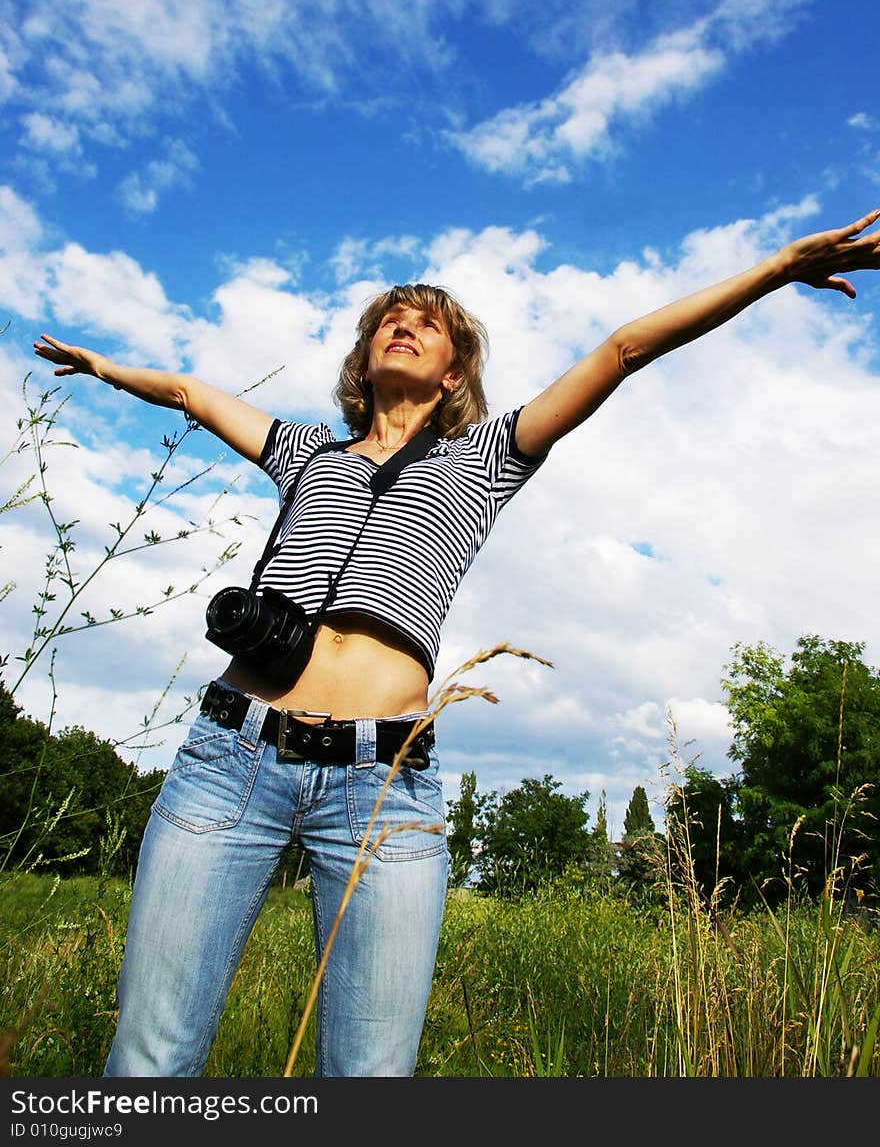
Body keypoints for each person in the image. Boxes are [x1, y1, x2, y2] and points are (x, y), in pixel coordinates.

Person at [33, 205, 880, 1077]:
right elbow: (187, 392)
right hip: (230, 759)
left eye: (429, 324)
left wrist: (775, 269)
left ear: (452, 374)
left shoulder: (485, 460)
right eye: (390, 319)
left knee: (369, 1077)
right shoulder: (303, 452)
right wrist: (103, 367)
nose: (404, 325)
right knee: (150, 1057)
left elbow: (625, 349)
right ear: (366, 358)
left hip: (383, 787)